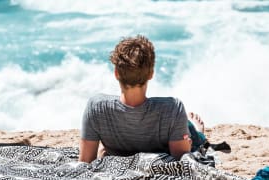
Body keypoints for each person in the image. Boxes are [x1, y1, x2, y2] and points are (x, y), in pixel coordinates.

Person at [79, 35, 194, 163]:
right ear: (151, 73)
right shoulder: (172, 108)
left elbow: (85, 162)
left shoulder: (97, 107)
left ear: (116, 73)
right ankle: (198, 131)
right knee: (190, 130)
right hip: (170, 130)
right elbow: (180, 160)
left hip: (114, 153)